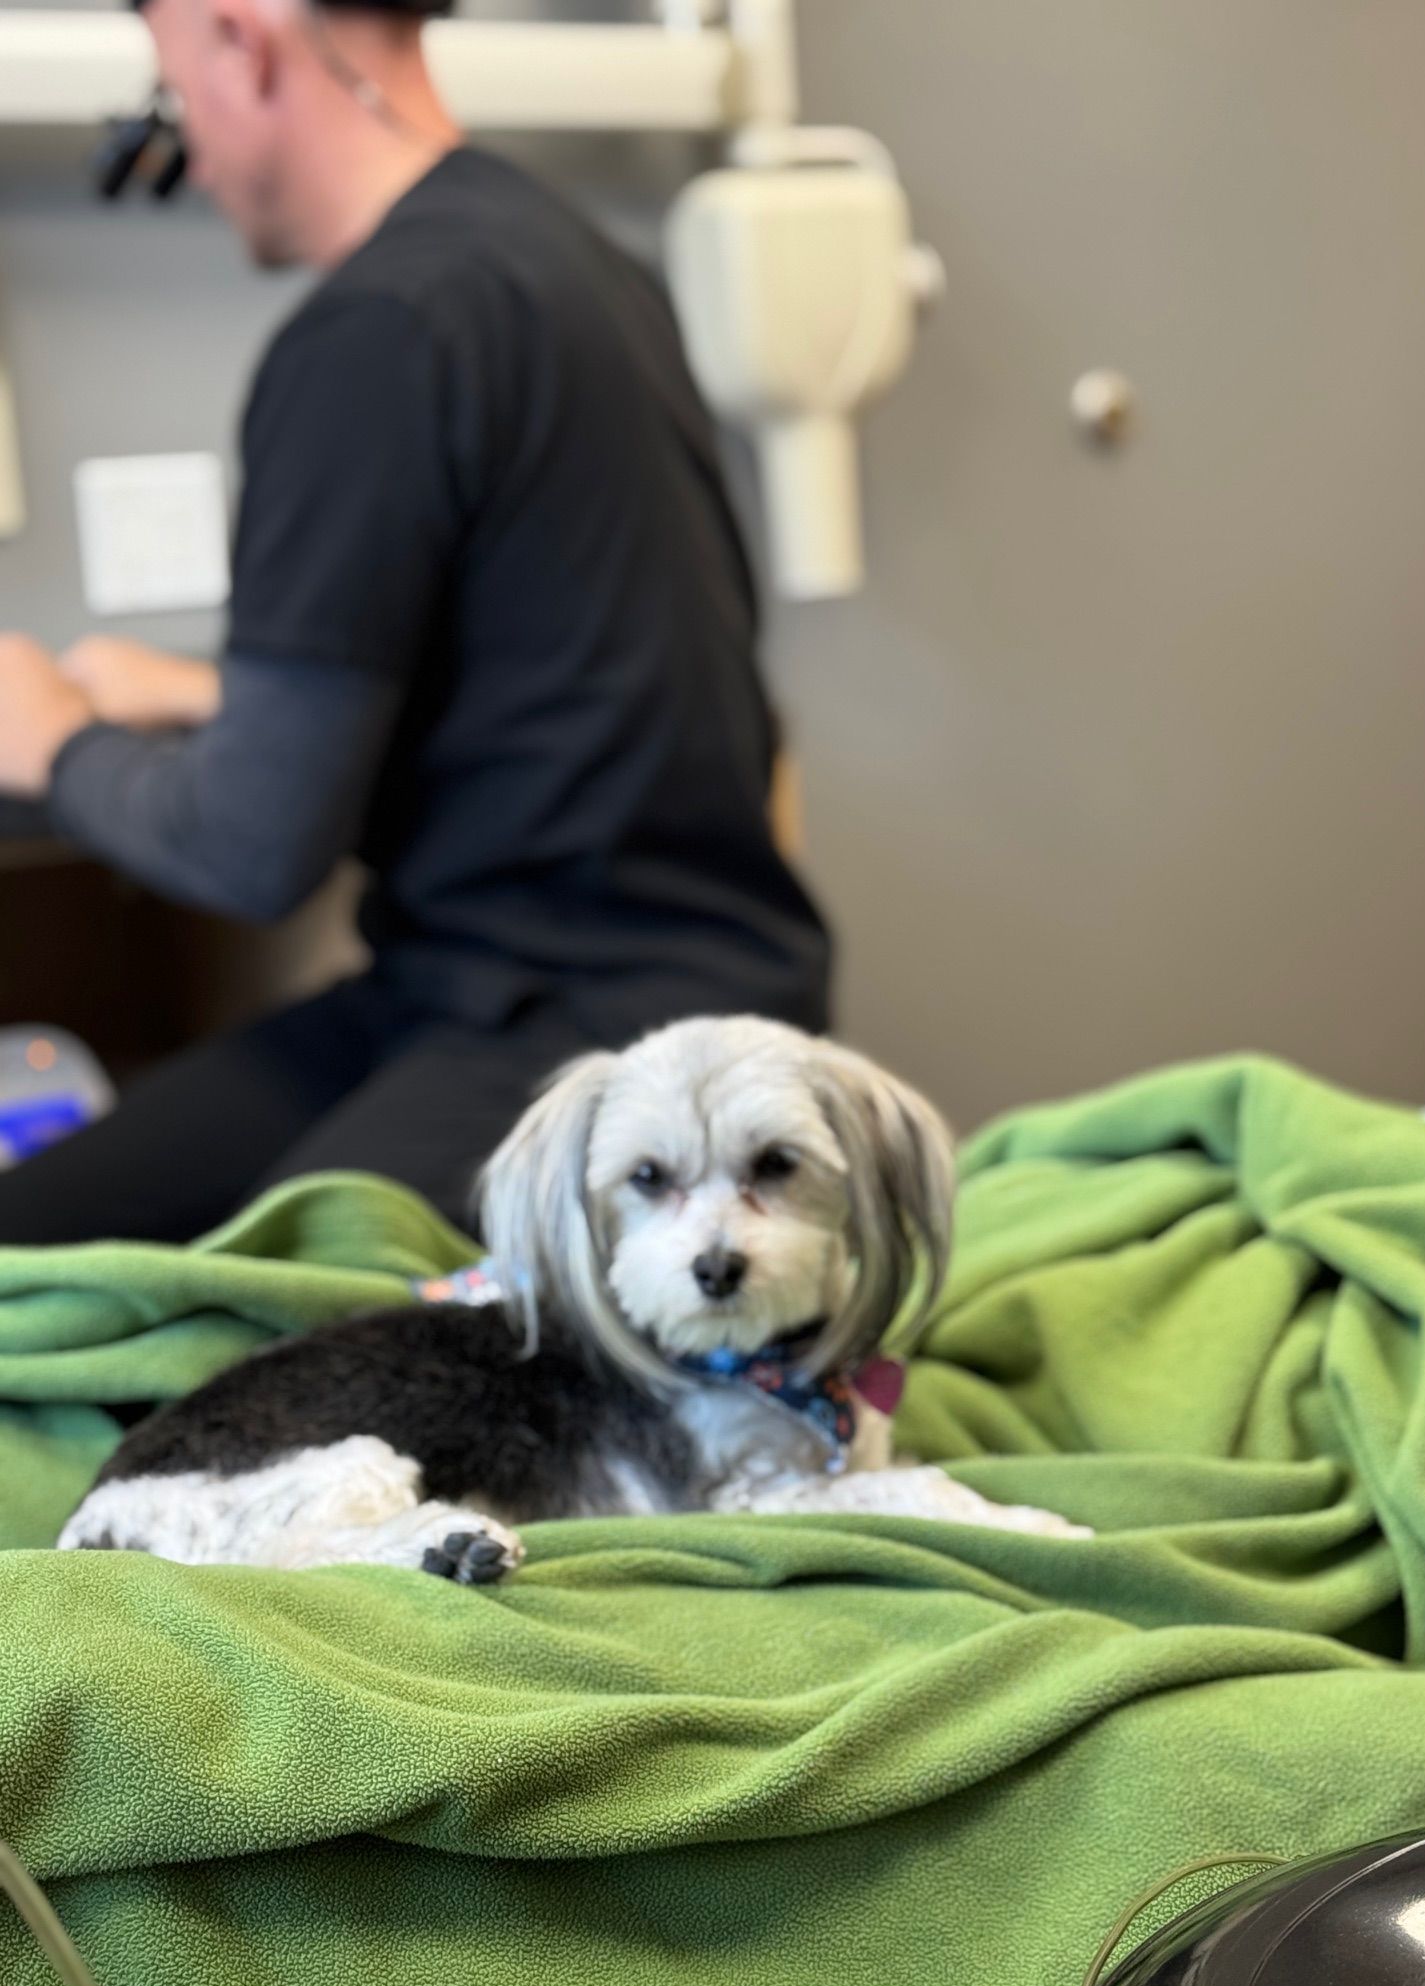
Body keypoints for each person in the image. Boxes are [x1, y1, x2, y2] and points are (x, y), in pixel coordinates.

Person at [0, 0, 829, 1243]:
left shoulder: (377, 332)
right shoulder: (578, 263)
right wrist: (220, 698)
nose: (196, 160)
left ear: (242, 38)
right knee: (36, 1247)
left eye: (173, 101)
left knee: (256, 1353)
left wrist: (53, 742)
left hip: (583, 1030)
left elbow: (250, 850)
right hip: (566, 981)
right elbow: (560, 668)